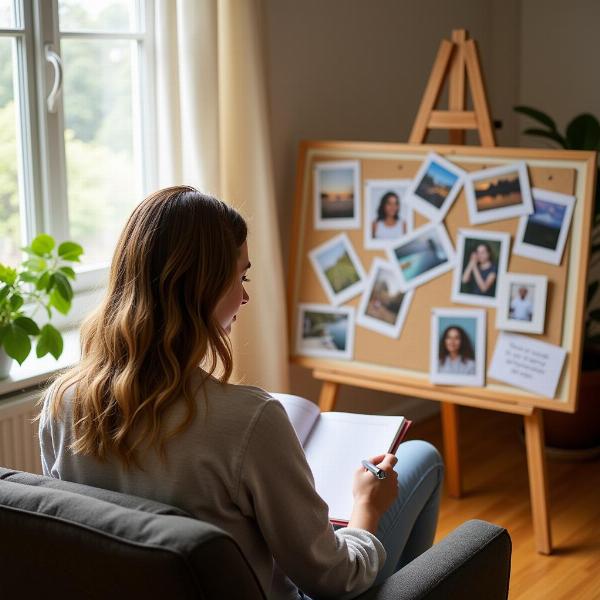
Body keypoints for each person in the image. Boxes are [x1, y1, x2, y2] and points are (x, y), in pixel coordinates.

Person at [38, 186, 443, 600]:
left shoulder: (63, 402)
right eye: (240, 276)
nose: (245, 295)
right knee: (422, 459)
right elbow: (332, 578)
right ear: (202, 288)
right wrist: (366, 508)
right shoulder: (249, 420)